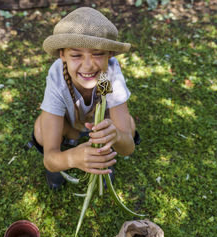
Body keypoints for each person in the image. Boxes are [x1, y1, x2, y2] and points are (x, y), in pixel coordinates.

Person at [27, 7, 141, 190]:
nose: (88, 65)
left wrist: (117, 135)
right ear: (62, 55)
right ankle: (70, 143)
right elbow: (49, 158)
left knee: (128, 125)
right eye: (76, 55)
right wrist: (69, 158)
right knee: (41, 132)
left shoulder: (109, 75)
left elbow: (127, 148)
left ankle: (103, 157)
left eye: (97, 53)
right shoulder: (58, 79)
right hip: (70, 125)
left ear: (110, 54)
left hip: (98, 126)